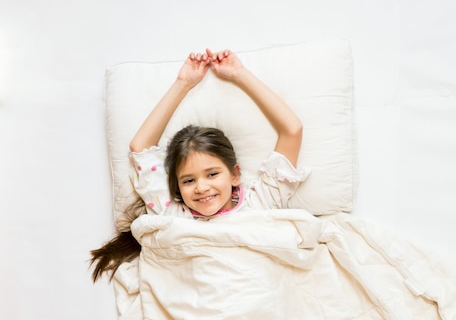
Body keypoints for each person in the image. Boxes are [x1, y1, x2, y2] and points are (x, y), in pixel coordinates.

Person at [91, 48, 309, 281]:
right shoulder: (172, 213)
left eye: (212, 174)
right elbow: (140, 146)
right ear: (177, 186)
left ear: (235, 175)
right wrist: (183, 83)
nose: (201, 187)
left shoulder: (262, 200)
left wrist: (240, 74)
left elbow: (292, 130)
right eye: (188, 180)